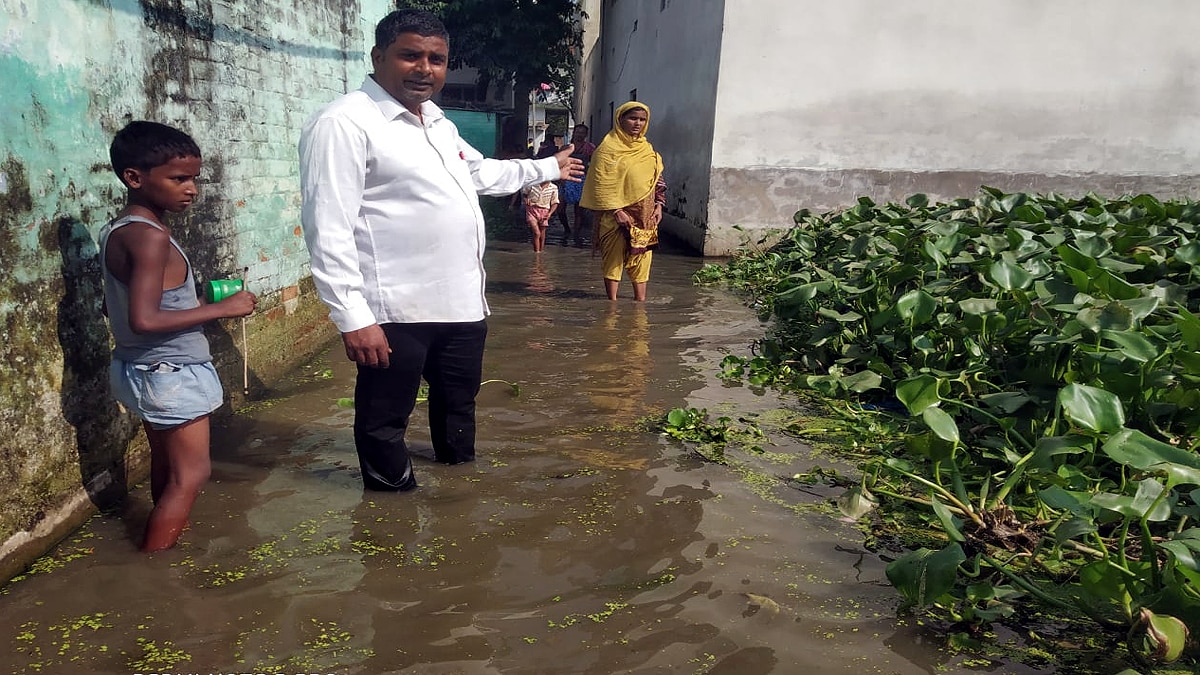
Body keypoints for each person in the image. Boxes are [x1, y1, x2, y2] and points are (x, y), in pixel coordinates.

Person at [298, 9, 584, 492]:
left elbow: (480, 172)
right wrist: (353, 317)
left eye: (436, 59)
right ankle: (391, 507)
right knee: (385, 417)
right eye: (410, 55)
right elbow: (327, 227)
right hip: (394, 307)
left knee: (458, 406)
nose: (424, 69)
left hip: (461, 304)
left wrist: (546, 168)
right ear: (378, 56)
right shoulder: (343, 123)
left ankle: (460, 494)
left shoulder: (436, 121)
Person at [99, 121, 258, 551]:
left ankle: (161, 541)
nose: (191, 190)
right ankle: (156, 566)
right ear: (134, 177)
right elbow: (145, 319)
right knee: (193, 474)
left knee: (169, 465)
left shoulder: (117, 230)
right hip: (171, 373)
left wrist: (196, 300)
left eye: (194, 179)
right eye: (178, 179)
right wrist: (223, 308)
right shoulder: (151, 239)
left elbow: (121, 307)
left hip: (138, 368)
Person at [580, 102, 666, 301]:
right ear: (620, 119)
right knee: (613, 259)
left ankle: (640, 305)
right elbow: (600, 183)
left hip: (645, 215)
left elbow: (657, 180)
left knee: (642, 259)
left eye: (642, 119)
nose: (637, 123)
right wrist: (616, 210)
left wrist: (659, 205)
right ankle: (611, 305)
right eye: (632, 118)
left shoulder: (648, 151)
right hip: (614, 216)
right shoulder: (606, 150)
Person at [556, 123, 596, 235]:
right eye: (578, 132)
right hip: (565, 178)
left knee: (579, 211)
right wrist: (560, 178)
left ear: (586, 134)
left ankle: (576, 234)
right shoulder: (566, 148)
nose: (580, 134)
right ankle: (567, 229)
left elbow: (595, 163)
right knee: (560, 209)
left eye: (582, 133)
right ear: (574, 133)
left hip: (581, 179)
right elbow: (559, 163)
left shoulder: (590, 148)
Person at [523, 180, 560, 252]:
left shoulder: (553, 188)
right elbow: (524, 194)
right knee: (537, 233)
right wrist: (526, 200)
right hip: (532, 210)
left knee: (542, 234)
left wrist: (550, 213)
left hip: (545, 211)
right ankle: (536, 253)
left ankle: (541, 251)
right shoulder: (532, 184)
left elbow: (555, 202)